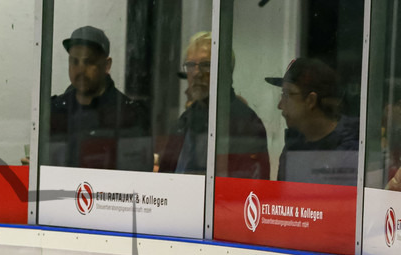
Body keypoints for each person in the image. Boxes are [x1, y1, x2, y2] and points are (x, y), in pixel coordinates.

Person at [157, 32, 269, 179]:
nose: (196, 73)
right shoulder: (184, 121)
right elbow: (165, 179)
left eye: (206, 65)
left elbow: (249, 191)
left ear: (226, 71)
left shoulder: (246, 124)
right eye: (190, 65)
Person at [48, 26, 152, 171]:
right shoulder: (55, 110)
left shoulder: (129, 114)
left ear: (107, 65)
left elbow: (137, 176)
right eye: (74, 61)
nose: (80, 69)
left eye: (88, 62)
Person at [265, 57, 359, 185]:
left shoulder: (352, 151)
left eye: (287, 94)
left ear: (311, 100)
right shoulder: (293, 145)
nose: (280, 105)